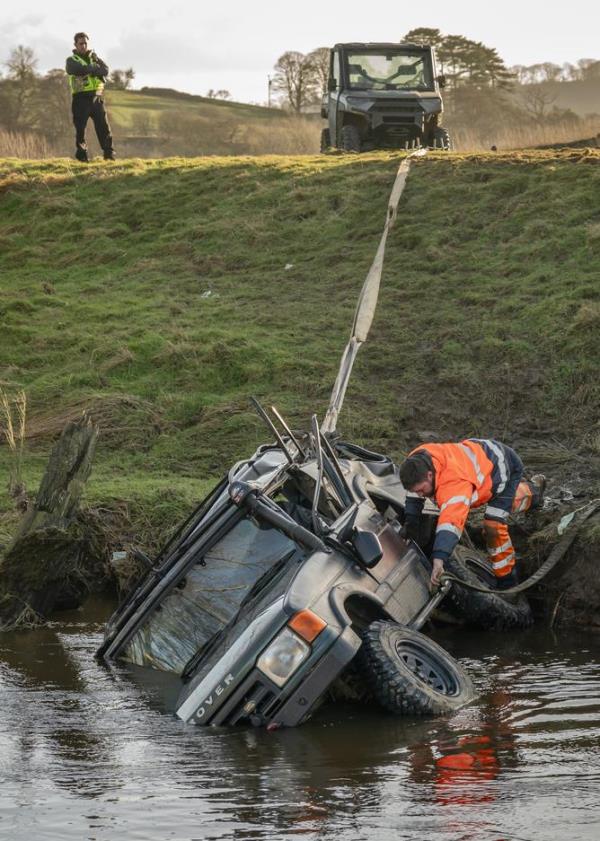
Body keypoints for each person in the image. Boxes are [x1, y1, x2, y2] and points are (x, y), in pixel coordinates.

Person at [398, 439, 545, 589]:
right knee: (506, 504)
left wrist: (439, 558)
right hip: (480, 459)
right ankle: (532, 491)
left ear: (430, 475)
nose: (420, 495)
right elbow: (413, 498)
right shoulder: (416, 463)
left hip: (503, 466)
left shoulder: (454, 483)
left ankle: (507, 579)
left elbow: (451, 523)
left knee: (493, 526)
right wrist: (409, 530)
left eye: (421, 490)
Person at [65, 32, 115, 162]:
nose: (84, 45)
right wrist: (93, 68)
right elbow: (77, 69)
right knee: (80, 130)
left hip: (96, 98)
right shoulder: (71, 60)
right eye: (81, 43)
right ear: (75, 44)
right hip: (80, 98)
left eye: (85, 43)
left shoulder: (95, 57)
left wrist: (90, 68)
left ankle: (109, 155)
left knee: (104, 127)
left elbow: (105, 70)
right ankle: (82, 156)